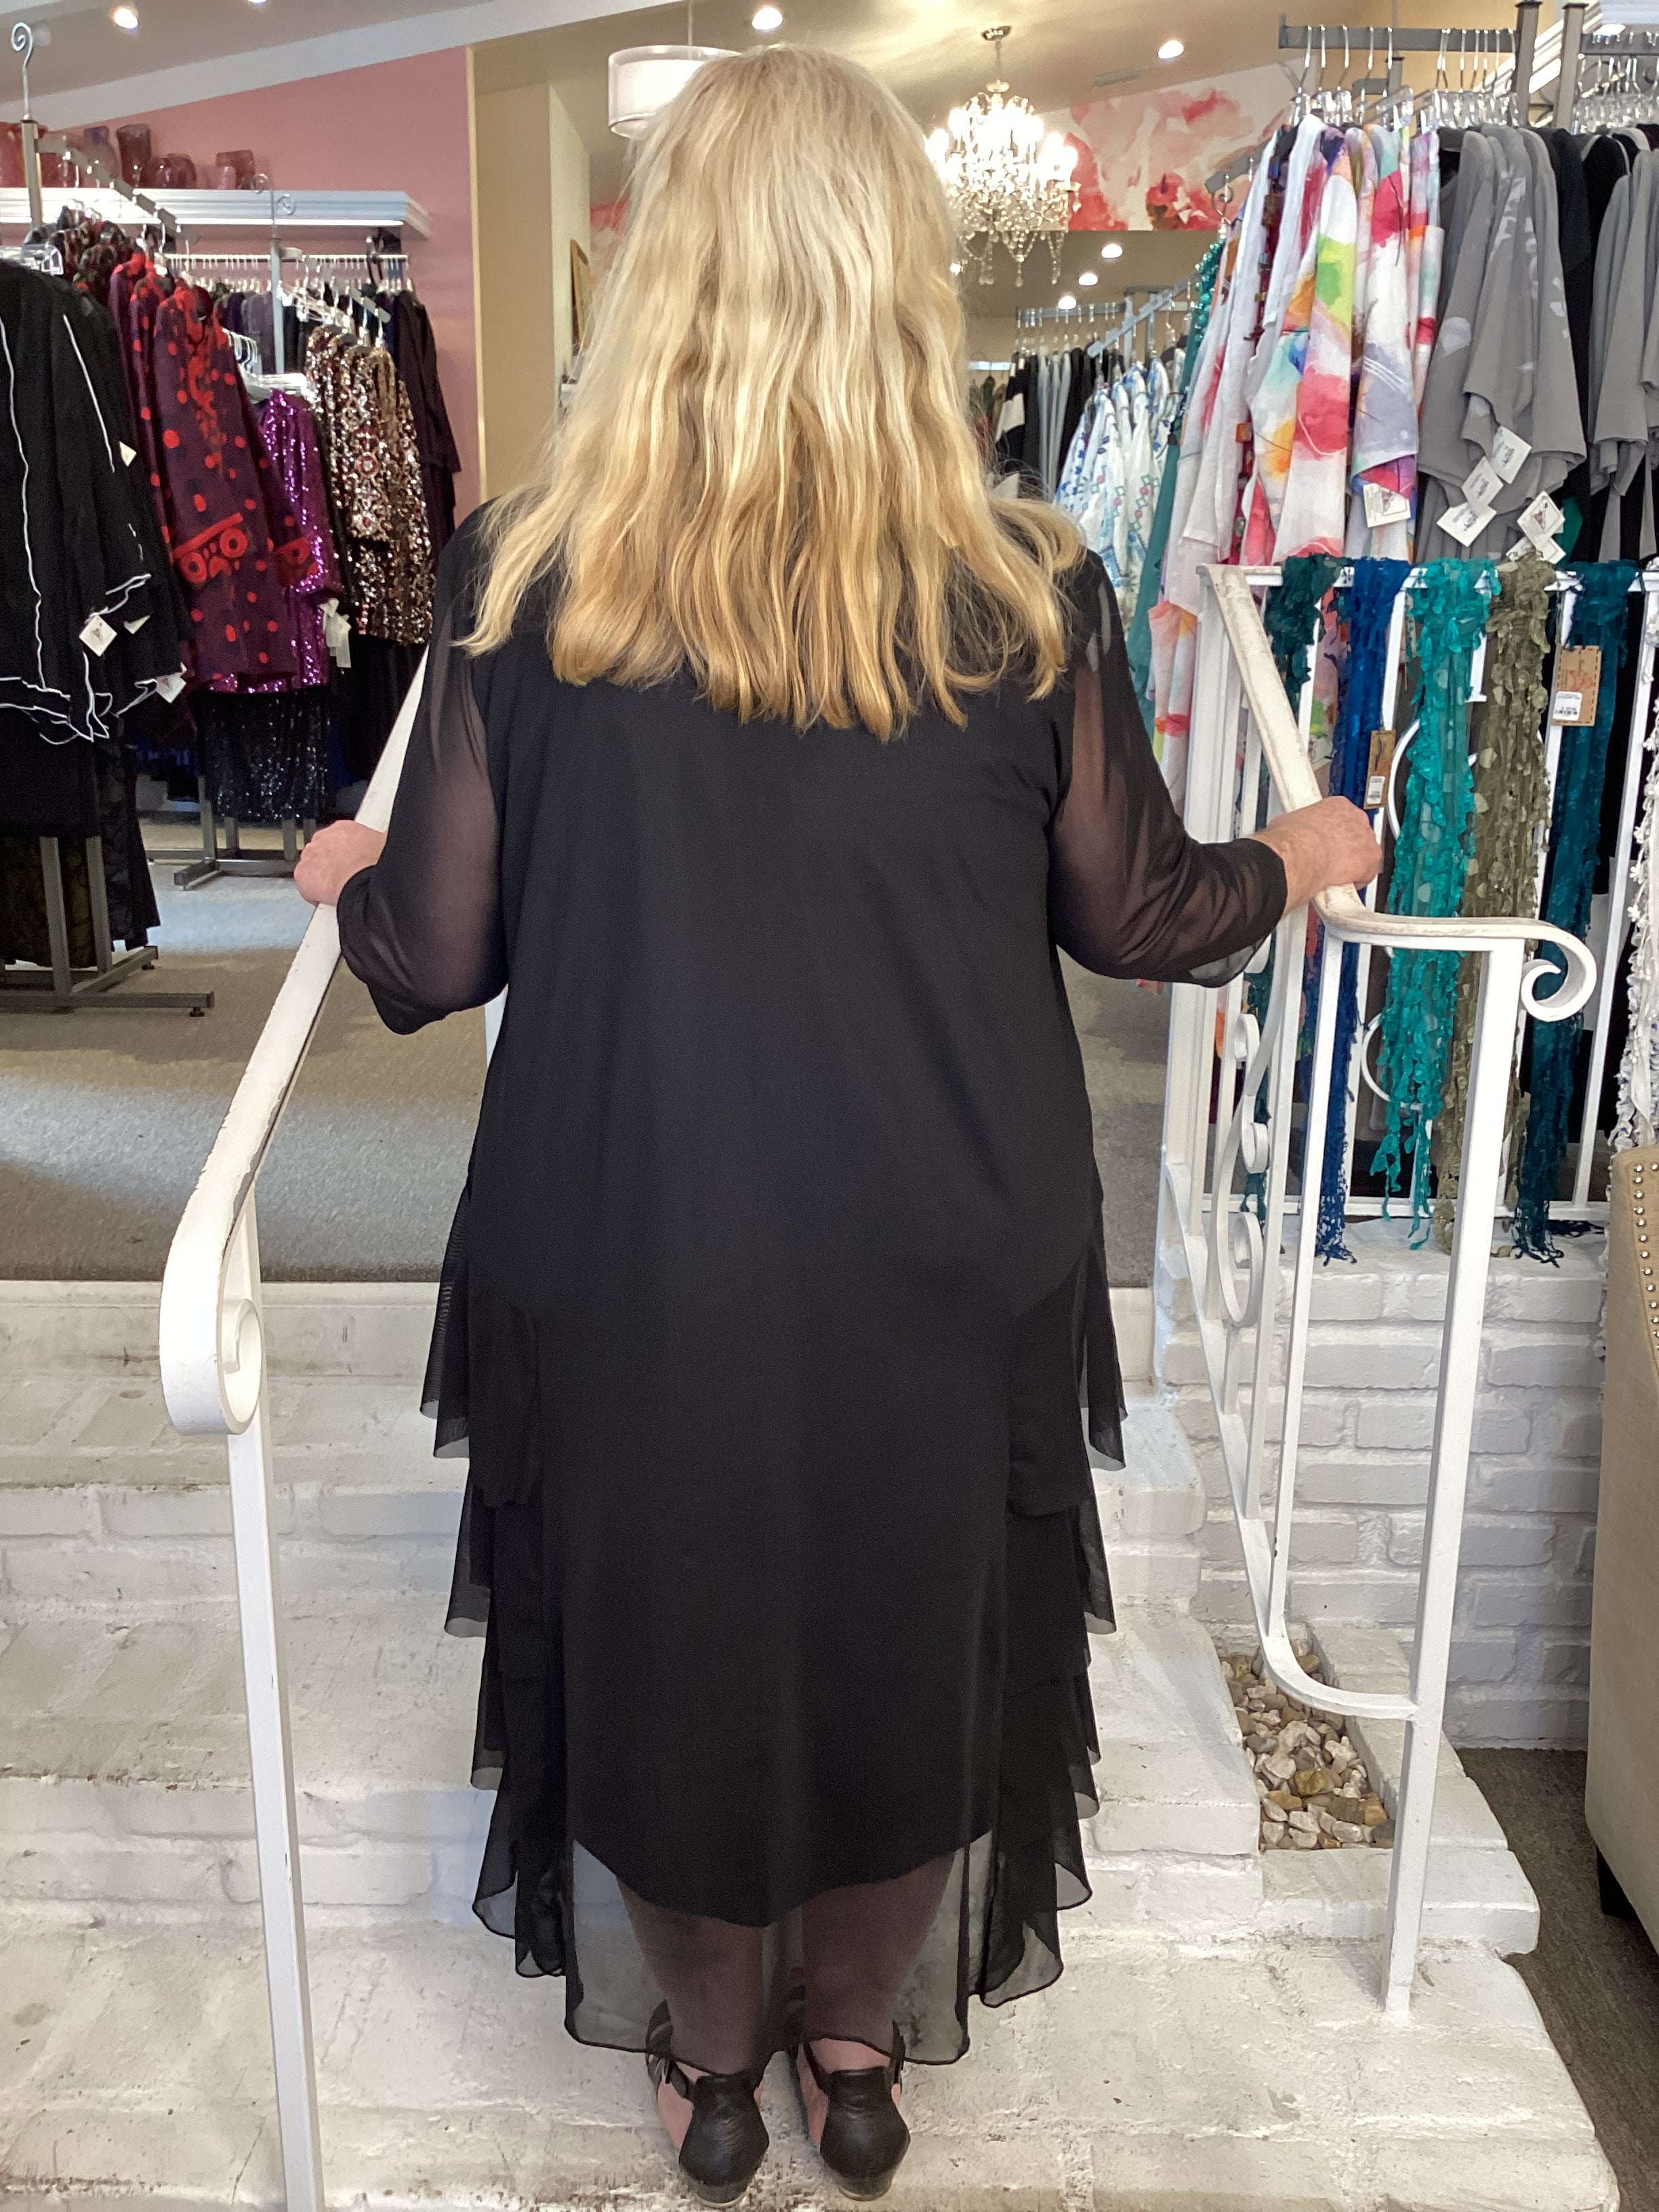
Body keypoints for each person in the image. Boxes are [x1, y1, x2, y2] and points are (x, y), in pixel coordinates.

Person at [295, 44, 1378, 2209]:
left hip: (635, 1232)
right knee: (915, 1638)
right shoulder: (1023, 595)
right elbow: (1141, 914)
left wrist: (347, 872)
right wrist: (1300, 853)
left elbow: (432, 956)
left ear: (663, 276)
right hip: (941, 1235)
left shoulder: (531, 583)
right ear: (901, 280)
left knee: (660, 1645)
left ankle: (711, 2077)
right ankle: (860, 2057)